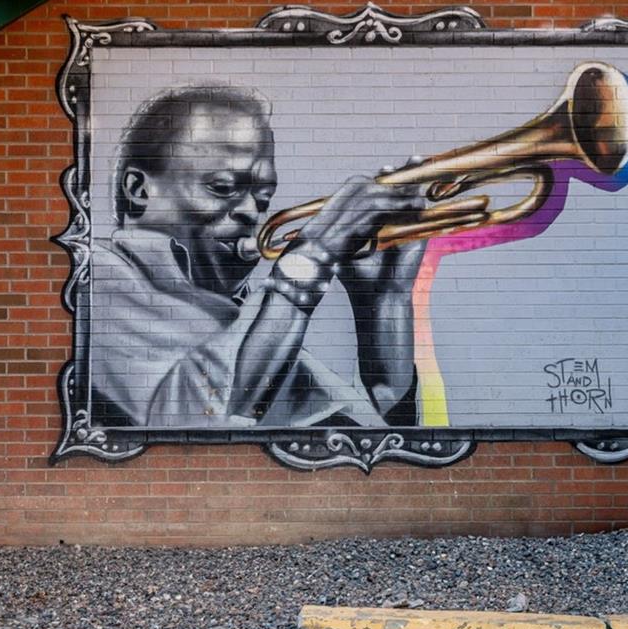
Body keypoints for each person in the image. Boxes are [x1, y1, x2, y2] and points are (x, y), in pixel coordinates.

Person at [88, 85, 424, 430]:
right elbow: (191, 425)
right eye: (222, 187)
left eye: (263, 198)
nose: (251, 212)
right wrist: (311, 259)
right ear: (139, 189)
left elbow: (375, 440)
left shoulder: (257, 321)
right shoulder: (94, 273)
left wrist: (385, 303)